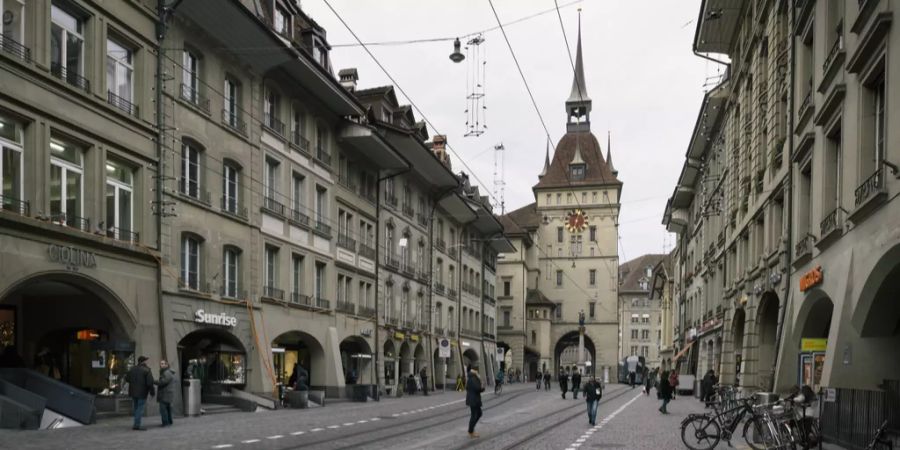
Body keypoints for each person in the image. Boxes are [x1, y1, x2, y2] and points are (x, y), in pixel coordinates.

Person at [126, 355, 155, 430]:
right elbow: (150, 383)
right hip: (142, 392)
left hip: (133, 392)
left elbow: (127, 379)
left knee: (136, 408)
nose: (147, 362)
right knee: (140, 409)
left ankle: (136, 423)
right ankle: (137, 425)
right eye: (146, 360)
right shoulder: (147, 370)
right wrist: (152, 392)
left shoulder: (132, 369)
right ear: (143, 361)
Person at [155, 359, 177, 427]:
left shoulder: (166, 372)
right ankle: (169, 421)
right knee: (168, 409)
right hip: (167, 393)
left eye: (163, 364)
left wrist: (154, 381)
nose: (161, 365)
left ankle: (165, 423)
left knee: (163, 409)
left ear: (166, 365)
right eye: (161, 364)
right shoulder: (167, 372)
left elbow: (163, 382)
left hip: (165, 394)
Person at [465, 366, 485, 438]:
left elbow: (468, 388)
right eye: (477, 371)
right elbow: (478, 388)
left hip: (474, 399)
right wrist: (482, 384)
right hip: (474, 400)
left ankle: (471, 430)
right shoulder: (473, 378)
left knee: (479, 413)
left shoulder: (471, 377)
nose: (478, 372)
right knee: (474, 415)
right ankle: (471, 431)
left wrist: (481, 386)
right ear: (475, 371)